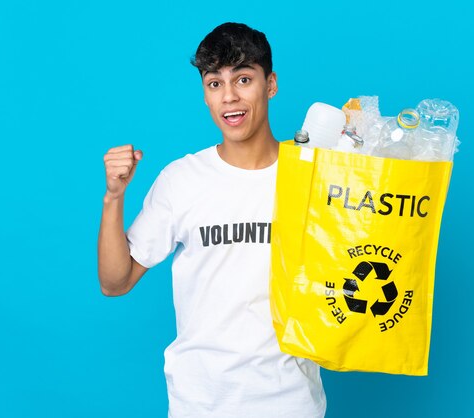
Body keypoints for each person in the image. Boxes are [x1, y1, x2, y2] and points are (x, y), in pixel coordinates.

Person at [98, 22, 326, 417]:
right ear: (205, 94)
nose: (230, 97)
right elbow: (115, 282)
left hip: (290, 401)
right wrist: (114, 197)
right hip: (201, 402)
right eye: (215, 83)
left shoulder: (315, 176)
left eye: (243, 79)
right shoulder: (181, 179)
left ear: (270, 84)